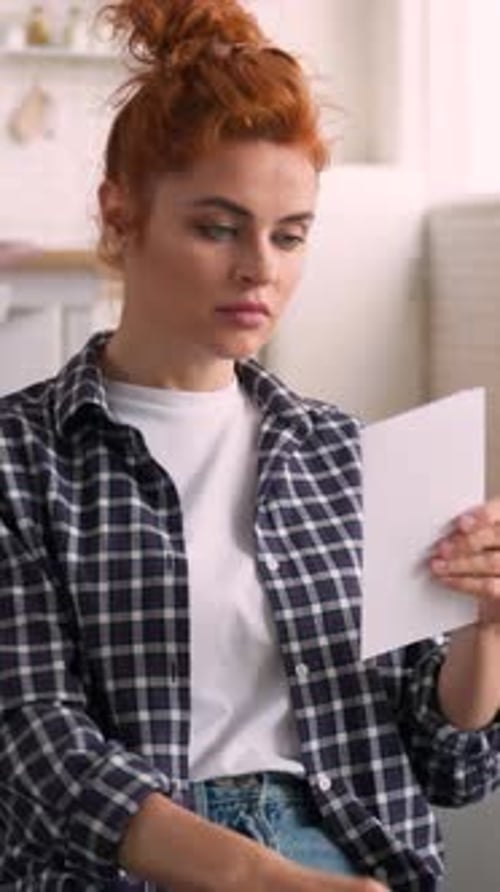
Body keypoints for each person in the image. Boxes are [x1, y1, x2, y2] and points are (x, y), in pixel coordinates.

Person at [0, 1, 499, 890]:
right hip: (130, 868)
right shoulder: (19, 458)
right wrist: (266, 881)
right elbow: (36, 741)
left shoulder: (345, 453)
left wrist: (487, 629)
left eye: (290, 234)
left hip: (351, 855)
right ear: (122, 215)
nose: (260, 269)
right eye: (217, 227)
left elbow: (451, 767)